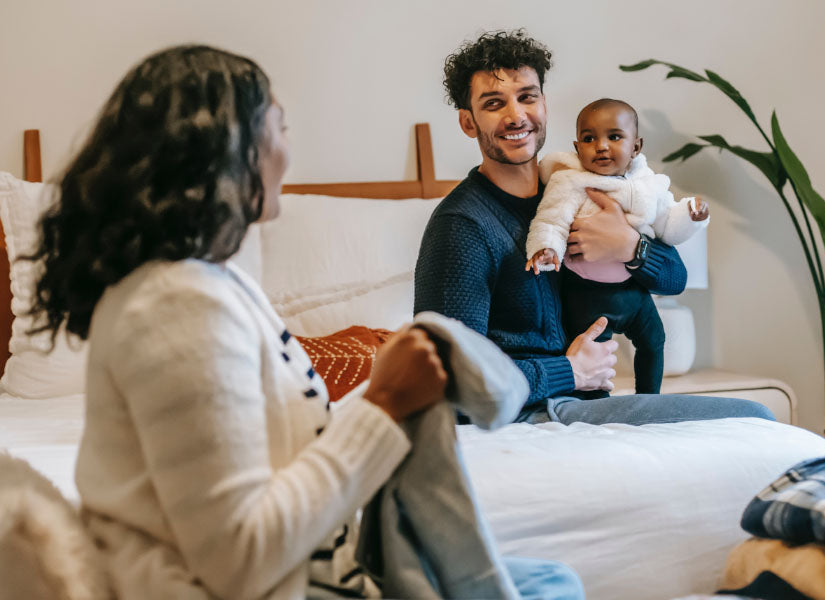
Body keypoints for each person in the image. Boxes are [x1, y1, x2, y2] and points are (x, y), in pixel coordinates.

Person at [27, 45, 581, 599]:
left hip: (318, 566)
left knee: (553, 580)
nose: (289, 153)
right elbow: (239, 560)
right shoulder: (173, 312)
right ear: (228, 151)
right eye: (280, 129)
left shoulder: (211, 283)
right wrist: (384, 405)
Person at [415, 29, 775, 424]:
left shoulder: (583, 189)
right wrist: (568, 372)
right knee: (750, 420)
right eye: (494, 103)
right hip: (530, 414)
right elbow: (450, 380)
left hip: (589, 404)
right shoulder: (462, 226)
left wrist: (629, 247)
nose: (516, 115)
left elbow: (675, 279)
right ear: (469, 122)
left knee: (756, 416)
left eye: (527, 97)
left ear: (544, 105)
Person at [525, 98, 710, 394]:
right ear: (577, 148)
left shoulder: (647, 186)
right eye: (589, 138)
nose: (601, 146)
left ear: (636, 147)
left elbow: (667, 224)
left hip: (632, 291)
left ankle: (649, 398)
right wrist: (546, 247)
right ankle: (595, 405)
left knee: (654, 340)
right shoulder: (570, 182)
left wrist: (691, 215)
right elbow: (552, 219)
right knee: (592, 359)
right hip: (586, 295)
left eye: (614, 137)